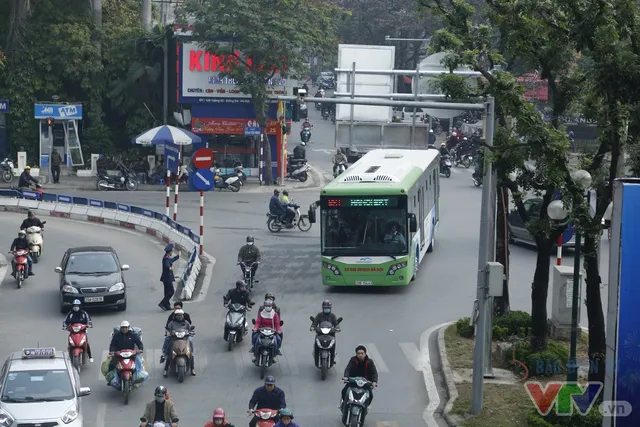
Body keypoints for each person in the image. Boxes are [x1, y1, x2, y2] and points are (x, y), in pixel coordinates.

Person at [164, 309, 195, 377]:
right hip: (174, 339)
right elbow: (168, 330)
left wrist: (191, 332)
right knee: (169, 350)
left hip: (184, 339)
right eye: (178, 315)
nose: (179, 316)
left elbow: (190, 329)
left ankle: (192, 368)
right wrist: (168, 333)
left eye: (181, 315)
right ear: (175, 316)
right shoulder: (171, 323)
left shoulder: (186, 323)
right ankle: (165, 369)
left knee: (190, 347)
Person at [159, 244, 180, 311]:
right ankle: (162, 303)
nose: (172, 253)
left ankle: (167, 305)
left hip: (166, 278)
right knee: (171, 292)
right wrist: (170, 268)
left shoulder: (167, 257)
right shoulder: (166, 259)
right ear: (170, 252)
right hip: (167, 278)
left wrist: (178, 256)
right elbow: (167, 264)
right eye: (172, 251)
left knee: (167, 292)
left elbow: (172, 260)